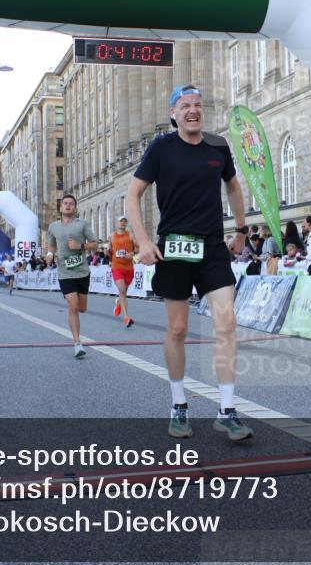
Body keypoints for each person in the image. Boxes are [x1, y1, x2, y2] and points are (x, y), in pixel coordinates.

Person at [126, 84, 252, 442]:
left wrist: (241, 229)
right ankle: (179, 405)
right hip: (175, 247)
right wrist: (143, 240)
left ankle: (226, 411)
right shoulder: (161, 147)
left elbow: (233, 187)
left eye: (197, 105)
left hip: (212, 247)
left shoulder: (218, 145)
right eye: (185, 106)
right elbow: (132, 195)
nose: (193, 110)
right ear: (173, 113)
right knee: (178, 329)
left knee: (226, 323)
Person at [46, 194, 98, 359]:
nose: (68, 205)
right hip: (65, 272)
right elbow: (52, 245)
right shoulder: (53, 227)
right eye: (65, 203)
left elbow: (95, 244)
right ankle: (77, 343)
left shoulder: (82, 224)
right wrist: (49, 255)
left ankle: (77, 340)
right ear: (60, 207)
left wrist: (80, 246)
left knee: (82, 308)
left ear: (75, 208)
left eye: (71, 204)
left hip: (82, 271)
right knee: (73, 305)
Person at [110, 214, 138, 329]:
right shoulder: (112, 236)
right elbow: (110, 250)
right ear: (117, 223)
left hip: (129, 268)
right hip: (117, 267)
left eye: (124, 221)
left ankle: (118, 302)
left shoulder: (130, 235)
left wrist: (132, 254)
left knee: (123, 293)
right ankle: (127, 317)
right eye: (121, 221)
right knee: (122, 290)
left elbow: (138, 248)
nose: (122, 223)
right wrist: (108, 253)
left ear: (126, 224)